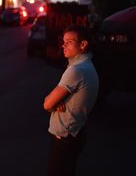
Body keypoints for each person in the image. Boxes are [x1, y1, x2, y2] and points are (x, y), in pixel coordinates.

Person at [43, 24, 99, 176]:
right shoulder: (87, 66)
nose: (63, 45)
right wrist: (56, 102)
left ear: (83, 44)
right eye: (63, 41)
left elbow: (47, 104)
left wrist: (52, 104)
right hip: (76, 134)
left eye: (69, 42)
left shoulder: (76, 70)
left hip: (65, 138)